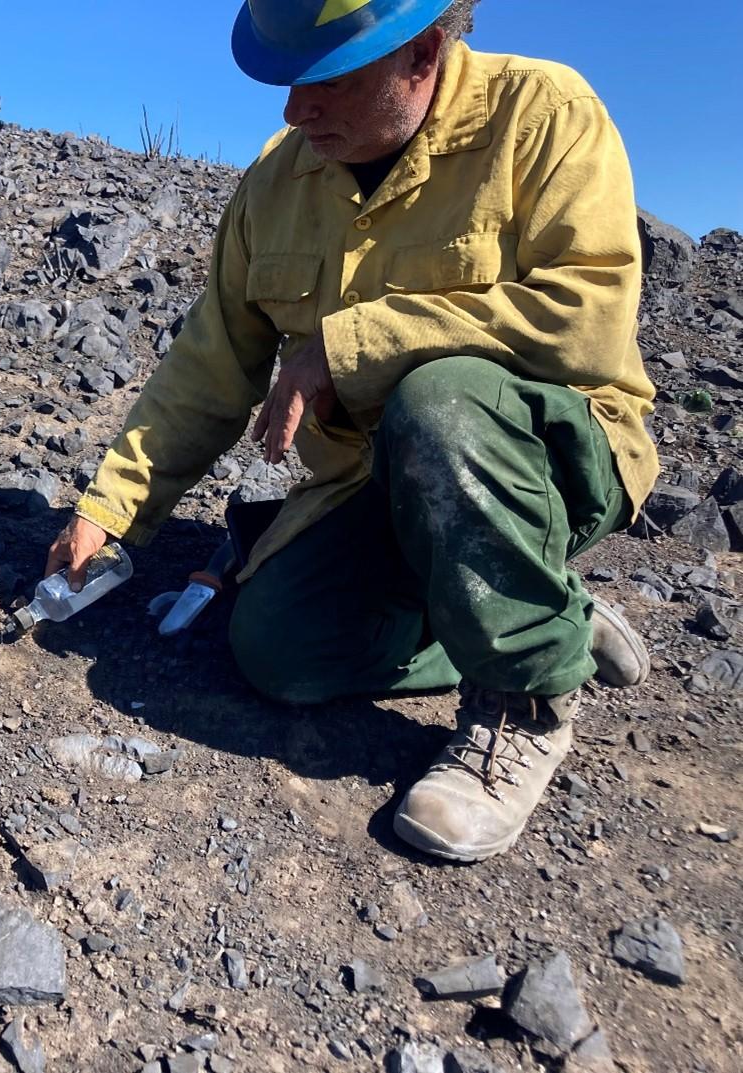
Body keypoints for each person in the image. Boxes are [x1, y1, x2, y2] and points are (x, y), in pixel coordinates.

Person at [44, 0, 659, 863]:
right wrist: (111, 507)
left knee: (440, 401)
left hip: (548, 455)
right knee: (276, 651)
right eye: (291, 79)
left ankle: (523, 701)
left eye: (329, 80)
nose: (296, 110)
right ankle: (543, 612)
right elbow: (211, 365)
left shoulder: (543, 115)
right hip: (372, 484)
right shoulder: (276, 183)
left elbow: (584, 319)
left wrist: (353, 347)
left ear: (423, 53)